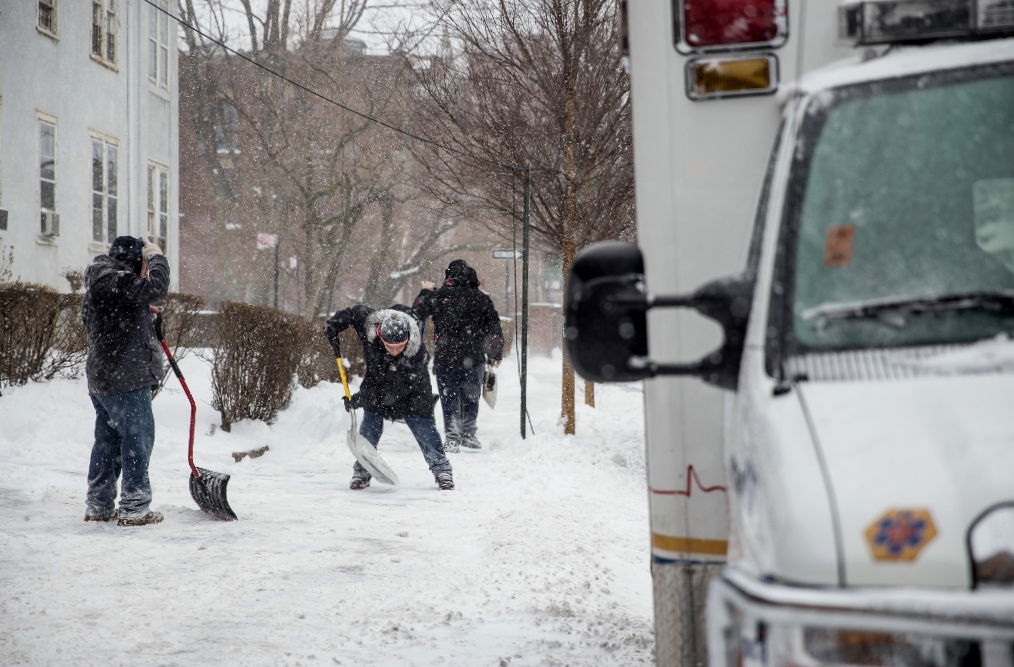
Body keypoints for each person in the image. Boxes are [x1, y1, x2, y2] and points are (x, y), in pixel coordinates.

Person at [81, 235, 169, 526]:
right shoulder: (118, 280)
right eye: (144, 263)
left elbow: (93, 318)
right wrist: (157, 258)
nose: (146, 270)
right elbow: (157, 287)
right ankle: (134, 508)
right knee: (136, 441)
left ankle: (99, 505)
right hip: (126, 378)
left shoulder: (102, 281)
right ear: (136, 261)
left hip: (102, 378)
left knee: (107, 442)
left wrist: (137, 312)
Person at [324, 304, 454, 490]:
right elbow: (355, 313)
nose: (394, 350)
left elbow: (397, 388)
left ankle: (442, 470)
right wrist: (334, 324)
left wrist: (362, 398)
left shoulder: (416, 353)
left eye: (400, 346)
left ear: (407, 339)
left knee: (425, 429)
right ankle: (362, 471)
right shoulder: (370, 326)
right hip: (376, 384)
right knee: (369, 428)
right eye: (390, 346)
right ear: (380, 336)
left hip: (414, 393)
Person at [413, 259, 504, 452]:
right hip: (474, 358)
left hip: (446, 358)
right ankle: (468, 434)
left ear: (449, 276)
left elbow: (417, 313)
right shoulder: (481, 299)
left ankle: (452, 437)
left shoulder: (438, 297)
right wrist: (495, 353)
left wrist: (426, 291)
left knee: (449, 398)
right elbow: (494, 327)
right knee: (471, 396)